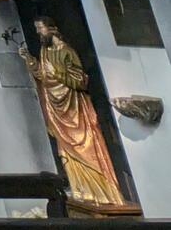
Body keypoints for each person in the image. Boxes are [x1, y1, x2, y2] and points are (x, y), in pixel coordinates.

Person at [20, 17, 124, 206]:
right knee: (66, 153)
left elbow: (80, 81)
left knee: (87, 146)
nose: (38, 33)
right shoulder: (45, 51)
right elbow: (43, 76)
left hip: (74, 108)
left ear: (52, 29)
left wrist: (57, 73)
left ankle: (102, 192)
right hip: (57, 110)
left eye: (40, 28)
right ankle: (80, 189)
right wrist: (29, 59)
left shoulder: (67, 52)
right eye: (36, 29)